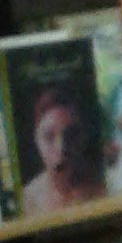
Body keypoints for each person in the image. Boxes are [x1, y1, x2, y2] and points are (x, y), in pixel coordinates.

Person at [20, 84, 104, 215]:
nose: (61, 149)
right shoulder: (28, 199)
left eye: (71, 135)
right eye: (48, 137)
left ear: (83, 137)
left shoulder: (105, 186)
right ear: (36, 140)